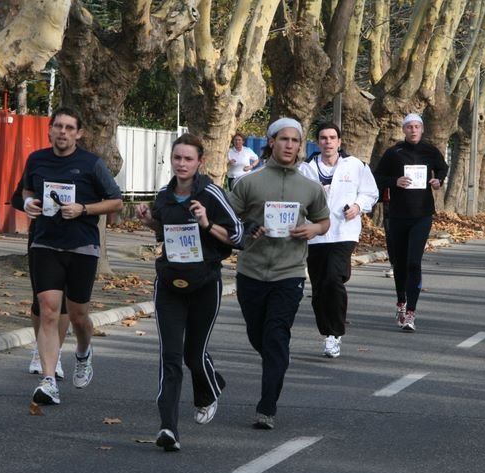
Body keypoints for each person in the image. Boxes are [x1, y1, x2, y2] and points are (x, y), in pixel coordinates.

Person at [136, 134, 243, 452]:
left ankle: (210, 389)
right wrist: (148, 222)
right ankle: (168, 427)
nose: (181, 164)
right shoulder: (164, 195)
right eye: (177, 158)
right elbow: (164, 228)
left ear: (200, 162)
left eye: (188, 159)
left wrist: (207, 223)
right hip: (169, 283)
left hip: (205, 284)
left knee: (193, 355)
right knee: (170, 356)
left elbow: (237, 235)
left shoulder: (210, 193)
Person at [229, 117, 330, 430]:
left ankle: (267, 407)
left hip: (289, 273)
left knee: (275, 337)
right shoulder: (249, 183)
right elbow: (229, 219)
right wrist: (247, 231)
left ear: (300, 145)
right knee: (258, 335)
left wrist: (313, 228)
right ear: (271, 142)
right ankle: (277, 359)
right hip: (251, 272)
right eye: (283, 139)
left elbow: (324, 222)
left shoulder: (310, 188)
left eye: (295, 141)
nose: (290, 145)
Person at [21, 107, 123, 405]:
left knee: (78, 316)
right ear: (50, 130)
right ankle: (49, 380)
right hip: (45, 243)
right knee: (49, 310)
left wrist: (83, 209)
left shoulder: (91, 164)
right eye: (58, 127)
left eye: (69, 127)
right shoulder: (36, 160)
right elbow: (27, 190)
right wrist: (29, 203)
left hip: (82, 246)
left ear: (78, 133)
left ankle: (83, 351)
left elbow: (115, 201)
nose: (62, 132)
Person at [303, 123, 378, 358]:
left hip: (344, 232)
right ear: (317, 141)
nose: (328, 142)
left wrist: (358, 206)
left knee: (333, 279)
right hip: (314, 234)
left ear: (339, 141)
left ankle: (335, 334)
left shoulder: (355, 166)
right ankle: (326, 330)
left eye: (332, 137)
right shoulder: (305, 169)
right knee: (319, 287)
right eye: (323, 138)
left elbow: (370, 192)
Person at [373, 113, 448, 332]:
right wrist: (394, 181)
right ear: (404, 130)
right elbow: (377, 176)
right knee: (400, 262)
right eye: (409, 127)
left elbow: (442, 168)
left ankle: (411, 312)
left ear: (422, 129)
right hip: (397, 214)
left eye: (417, 127)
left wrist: (438, 180)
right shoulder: (394, 152)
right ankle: (401, 300)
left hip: (422, 214)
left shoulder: (430, 151)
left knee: (414, 262)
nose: (413, 130)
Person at [10, 180, 68, 379]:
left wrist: (83, 209)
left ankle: (56, 354)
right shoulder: (39, 164)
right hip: (41, 238)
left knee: (64, 302)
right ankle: (41, 347)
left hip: (75, 240)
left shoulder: (85, 163)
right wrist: (28, 205)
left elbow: (105, 199)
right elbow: (17, 198)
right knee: (41, 301)